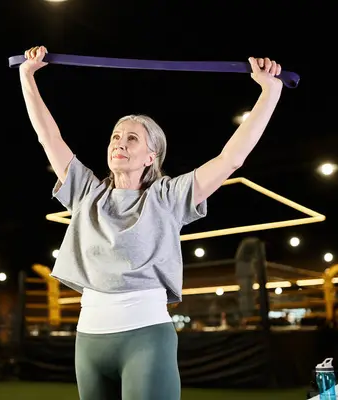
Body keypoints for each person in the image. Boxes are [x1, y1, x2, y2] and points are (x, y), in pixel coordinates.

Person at [18, 45, 284, 400]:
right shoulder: (85, 192)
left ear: (151, 155)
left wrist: (270, 91)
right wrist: (27, 75)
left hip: (145, 334)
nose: (119, 144)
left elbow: (231, 158)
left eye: (132, 139)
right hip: (89, 338)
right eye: (115, 136)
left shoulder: (168, 196)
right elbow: (48, 137)